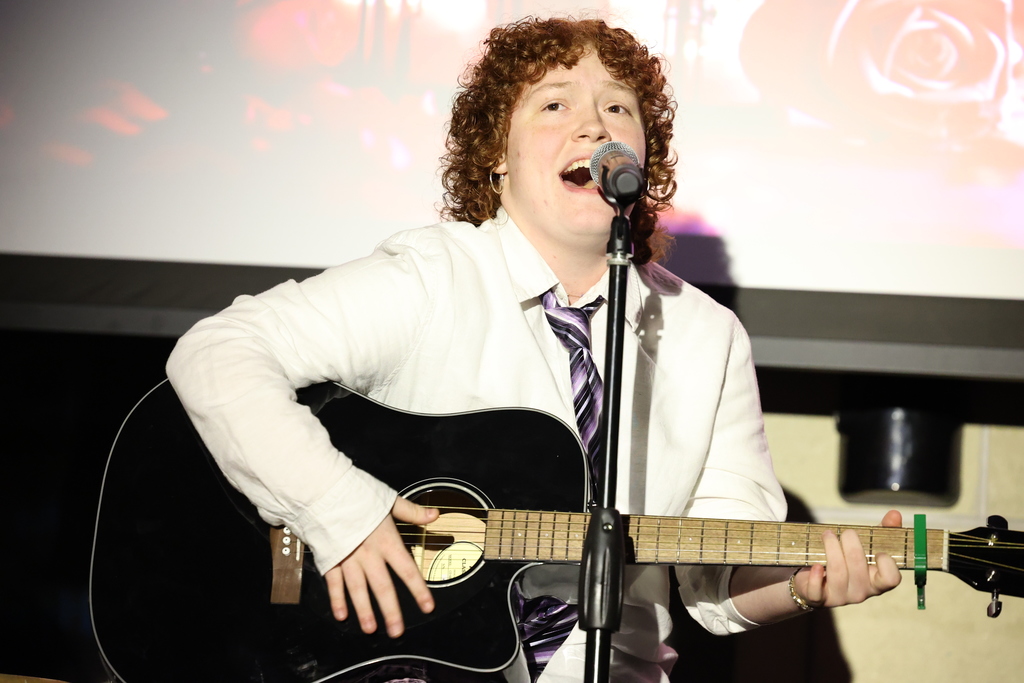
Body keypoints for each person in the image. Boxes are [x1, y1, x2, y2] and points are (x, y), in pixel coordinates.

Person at [166, 16, 902, 683]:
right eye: (555, 105)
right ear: (497, 159)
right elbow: (219, 352)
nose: (594, 126)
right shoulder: (437, 276)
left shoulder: (707, 337)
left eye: (618, 108)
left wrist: (805, 584)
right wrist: (341, 511)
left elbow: (715, 580)